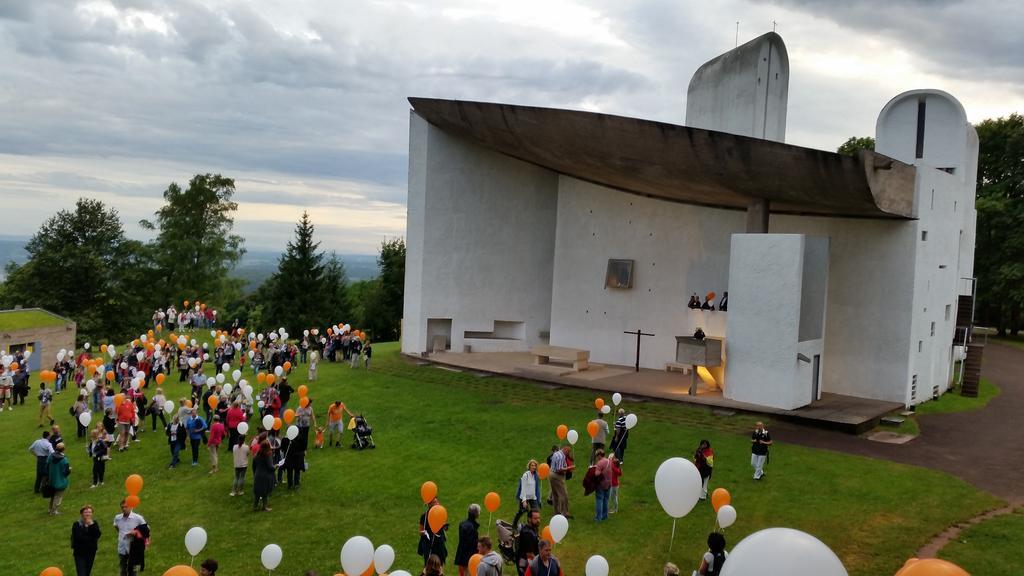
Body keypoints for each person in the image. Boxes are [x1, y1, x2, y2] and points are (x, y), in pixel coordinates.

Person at [114, 499, 148, 576]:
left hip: (133, 547)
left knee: (132, 570)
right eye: (122, 507)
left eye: (126, 507)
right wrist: (122, 534)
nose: (124, 509)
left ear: (131, 507)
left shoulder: (137, 518)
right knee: (123, 569)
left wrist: (135, 532)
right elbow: (116, 526)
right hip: (122, 547)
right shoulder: (118, 518)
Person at [71, 504, 102, 576]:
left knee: (87, 573)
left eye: (89, 512)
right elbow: (79, 537)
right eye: (85, 512)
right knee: (81, 573)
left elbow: (97, 535)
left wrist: (91, 525)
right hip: (80, 553)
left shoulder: (94, 523)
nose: (88, 514)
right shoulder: (77, 524)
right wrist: (91, 538)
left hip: (91, 552)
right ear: (81, 514)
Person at [418, 497, 448, 565]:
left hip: (439, 543)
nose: (437, 503)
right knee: (429, 564)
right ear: (429, 504)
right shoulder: (424, 517)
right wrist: (425, 533)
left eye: (437, 501)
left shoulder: (440, 514)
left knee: (440, 562)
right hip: (429, 544)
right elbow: (420, 531)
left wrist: (445, 527)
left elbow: (443, 529)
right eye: (434, 502)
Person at [454, 504, 480, 576]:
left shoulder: (462, 524)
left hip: (463, 553)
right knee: (469, 573)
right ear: (476, 514)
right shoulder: (471, 527)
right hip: (469, 555)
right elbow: (472, 543)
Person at [514, 460, 541, 528]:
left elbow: (537, 488)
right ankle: (514, 524)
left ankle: (532, 526)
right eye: (532, 465)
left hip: (533, 497)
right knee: (521, 511)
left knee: (535, 513)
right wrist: (524, 500)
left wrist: (538, 499)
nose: (533, 467)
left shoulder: (535, 476)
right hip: (524, 497)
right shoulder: (525, 475)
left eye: (535, 466)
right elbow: (523, 488)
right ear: (529, 466)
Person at [46, 442, 72, 515]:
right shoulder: (64, 460)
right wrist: (69, 469)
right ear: (64, 449)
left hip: (51, 480)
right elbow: (66, 472)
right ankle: (54, 511)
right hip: (61, 481)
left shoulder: (50, 456)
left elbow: (47, 466)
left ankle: (50, 509)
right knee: (58, 496)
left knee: (52, 495)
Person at [549, 445, 574, 518]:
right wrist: (570, 467)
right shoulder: (561, 456)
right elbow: (559, 469)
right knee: (564, 495)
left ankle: (556, 512)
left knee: (555, 494)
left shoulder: (556, 453)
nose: (569, 453)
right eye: (568, 451)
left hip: (551, 474)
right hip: (557, 476)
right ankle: (564, 513)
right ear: (565, 449)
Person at [252, 439, 276, 511]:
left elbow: (254, 465)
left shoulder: (256, 455)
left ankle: (255, 506)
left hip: (258, 475)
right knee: (265, 492)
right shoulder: (268, 455)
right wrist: (276, 466)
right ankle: (264, 506)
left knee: (257, 492)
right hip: (266, 476)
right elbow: (270, 467)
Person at [515, 510, 540, 576]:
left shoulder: (533, 529)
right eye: (535, 518)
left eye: (538, 518)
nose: (538, 520)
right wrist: (540, 563)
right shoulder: (528, 534)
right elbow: (529, 554)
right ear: (529, 519)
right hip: (525, 563)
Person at [593, 449, 612, 522]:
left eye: (597, 455)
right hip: (609, 483)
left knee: (599, 500)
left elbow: (596, 474)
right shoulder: (609, 461)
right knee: (606, 500)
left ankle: (598, 518)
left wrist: (593, 469)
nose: (596, 457)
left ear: (599, 455)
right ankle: (605, 516)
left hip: (601, 484)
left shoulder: (600, 463)